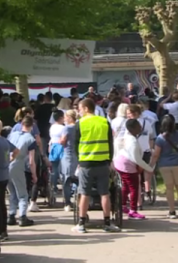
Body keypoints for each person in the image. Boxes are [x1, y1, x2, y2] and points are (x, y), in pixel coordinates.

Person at [73, 98, 119, 233]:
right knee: (105, 193)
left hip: (86, 163)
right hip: (103, 161)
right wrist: (109, 160)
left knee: (84, 193)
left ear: (86, 108)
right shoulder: (104, 121)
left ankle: (81, 224)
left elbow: (76, 144)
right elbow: (110, 143)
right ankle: (107, 222)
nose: (79, 112)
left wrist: (80, 160)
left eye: (80, 109)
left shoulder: (80, 123)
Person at [149, 115, 178, 219]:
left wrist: (150, 166)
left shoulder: (160, 138)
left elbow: (156, 154)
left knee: (169, 188)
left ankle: (172, 211)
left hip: (164, 165)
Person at [113, 119, 152, 220]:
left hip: (120, 162)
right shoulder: (133, 141)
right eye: (138, 126)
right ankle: (133, 210)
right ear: (133, 128)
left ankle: (122, 205)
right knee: (134, 187)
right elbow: (137, 159)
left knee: (125, 185)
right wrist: (149, 168)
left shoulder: (128, 137)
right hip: (127, 165)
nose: (140, 127)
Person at [7, 116, 35, 227]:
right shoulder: (30, 139)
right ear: (31, 126)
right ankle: (23, 216)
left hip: (7, 164)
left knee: (12, 192)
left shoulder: (12, 135)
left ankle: (11, 215)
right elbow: (31, 161)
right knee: (22, 193)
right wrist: (34, 174)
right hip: (18, 164)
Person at [126, 104, 155, 202]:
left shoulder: (130, 124)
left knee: (136, 174)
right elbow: (151, 137)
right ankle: (147, 190)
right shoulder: (147, 123)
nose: (128, 116)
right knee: (147, 171)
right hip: (146, 151)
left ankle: (138, 198)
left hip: (134, 151)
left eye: (129, 114)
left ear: (135, 113)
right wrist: (150, 148)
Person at [60, 110, 78, 211]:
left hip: (68, 155)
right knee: (78, 179)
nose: (64, 119)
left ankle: (67, 203)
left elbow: (63, 141)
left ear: (70, 118)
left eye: (65, 117)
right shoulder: (78, 126)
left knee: (67, 180)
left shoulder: (67, 128)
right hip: (78, 155)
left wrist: (59, 141)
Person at [48, 110, 65, 193]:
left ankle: (53, 186)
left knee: (54, 168)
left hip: (53, 146)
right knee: (62, 168)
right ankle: (64, 185)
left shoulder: (52, 127)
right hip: (61, 147)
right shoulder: (63, 128)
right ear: (61, 118)